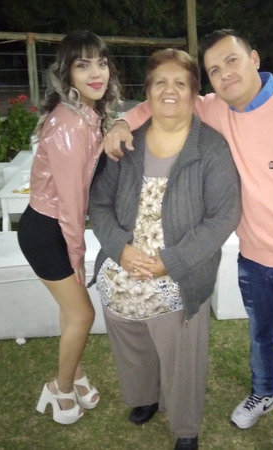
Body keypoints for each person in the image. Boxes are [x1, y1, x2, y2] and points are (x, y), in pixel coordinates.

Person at [103, 29, 273, 450]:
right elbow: (162, 99)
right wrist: (122, 122)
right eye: (214, 70)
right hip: (252, 256)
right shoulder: (216, 109)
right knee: (259, 335)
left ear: (254, 59)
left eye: (231, 61)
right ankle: (263, 393)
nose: (224, 74)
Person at [88, 48, 241, 450]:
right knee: (132, 343)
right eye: (160, 82)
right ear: (147, 92)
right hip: (123, 266)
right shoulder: (127, 146)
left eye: (180, 83)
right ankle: (145, 397)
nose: (169, 90)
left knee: (183, 361)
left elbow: (223, 217)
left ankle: (185, 427)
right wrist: (119, 249)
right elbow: (99, 204)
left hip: (178, 274)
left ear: (194, 93)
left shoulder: (210, 149)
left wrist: (170, 262)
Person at [17, 30, 121, 425]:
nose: (96, 73)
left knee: (71, 309)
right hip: (47, 231)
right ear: (68, 73)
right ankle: (58, 388)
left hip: (57, 226)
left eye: (101, 63)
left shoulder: (87, 114)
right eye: (83, 65)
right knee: (82, 315)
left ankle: (75, 375)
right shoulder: (69, 124)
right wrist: (77, 253)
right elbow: (72, 201)